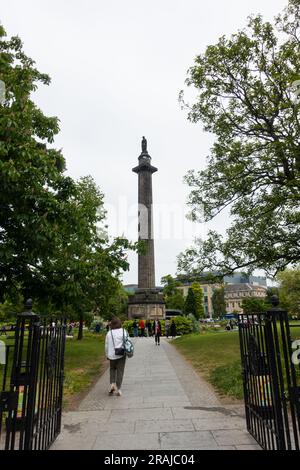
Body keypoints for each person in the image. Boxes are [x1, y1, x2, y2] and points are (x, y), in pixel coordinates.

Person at [105, 317, 127, 396]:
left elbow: (106, 345)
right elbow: (127, 342)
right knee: (120, 371)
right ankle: (119, 388)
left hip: (111, 355)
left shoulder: (109, 333)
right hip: (121, 354)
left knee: (112, 369)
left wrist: (107, 354)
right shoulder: (124, 331)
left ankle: (112, 384)